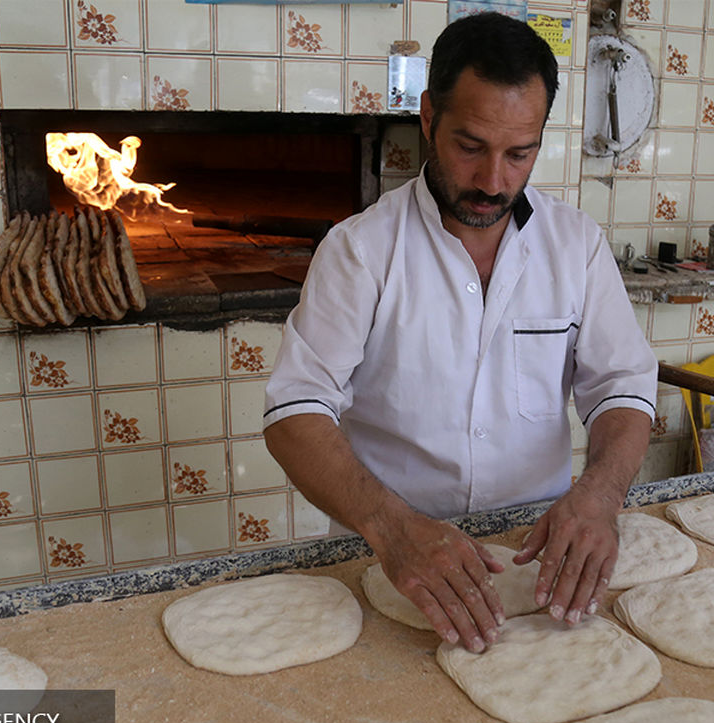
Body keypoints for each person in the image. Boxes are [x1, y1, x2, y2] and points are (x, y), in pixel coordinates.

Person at [263, 12, 657, 654]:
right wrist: (394, 530)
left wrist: (600, 496)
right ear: (427, 117)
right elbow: (293, 411)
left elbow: (620, 387)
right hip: (387, 562)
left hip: (537, 560)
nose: (493, 181)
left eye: (518, 153)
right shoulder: (361, 251)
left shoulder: (576, 246)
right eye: (470, 146)